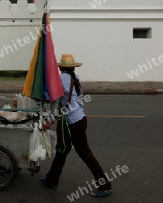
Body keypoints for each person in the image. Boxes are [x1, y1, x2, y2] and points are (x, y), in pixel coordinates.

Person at [40, 54, 113, 198]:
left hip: (72, 122)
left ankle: (105, 186)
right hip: (80, 117)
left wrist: (49, 120)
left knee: (84, 153)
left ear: (61, 68)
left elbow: (56, 101)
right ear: (73, 67)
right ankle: (51, 180)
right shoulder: (76, 78)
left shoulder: (60, 80)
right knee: (62, 150)